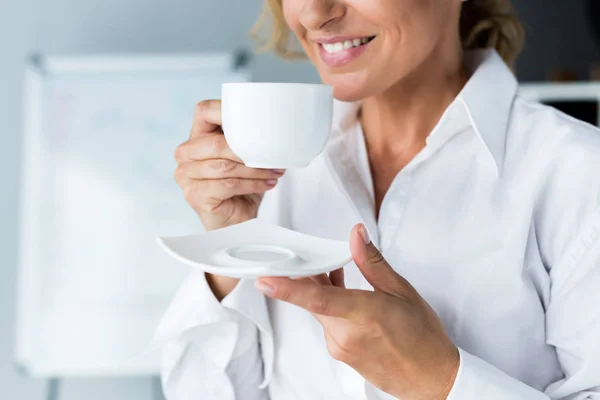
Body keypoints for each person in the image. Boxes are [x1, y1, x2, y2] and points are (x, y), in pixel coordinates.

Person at [153, 0, 600, 399]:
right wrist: (227, 247)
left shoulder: (577, 175)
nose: (313, 13)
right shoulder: (271, 179)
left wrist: (440, 380)